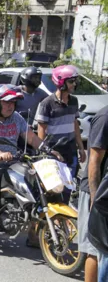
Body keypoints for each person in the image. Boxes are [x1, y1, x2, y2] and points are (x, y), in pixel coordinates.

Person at [0, 84, 62, 259]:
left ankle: (34, 236)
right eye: (6, 102)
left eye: (13, 102)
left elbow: (32, 137)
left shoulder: (17, 118)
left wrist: (48, 151)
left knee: (36, 188)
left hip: (13, 160)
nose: (10, 106)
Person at [36, 65, 86, 204]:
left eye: (75, 81)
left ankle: (63, 220)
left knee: (69, 185)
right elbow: (41, 129)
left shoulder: (74, 101)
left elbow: (75, 124)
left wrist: (81, 147)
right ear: (60, 82)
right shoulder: (47, 103)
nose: (74, 84)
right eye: (71, 81)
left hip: (70, 150)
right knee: (54, 189)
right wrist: (44, 153)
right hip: (54, 151)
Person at [77, 105, 108, 282]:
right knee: (94, 250)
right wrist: (95, 201)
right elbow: (94, 162)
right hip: (96, 194)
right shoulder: (105, 117)